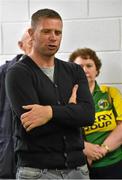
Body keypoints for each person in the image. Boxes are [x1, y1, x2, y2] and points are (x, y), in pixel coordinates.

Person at [5, 9, 95, 179]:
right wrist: (71, 110)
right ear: (32, 33)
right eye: (46, 31)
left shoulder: (74, 70)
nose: (53, 37)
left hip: (78, 170)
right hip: (37, 172)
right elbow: (34, 127)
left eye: (58, 32)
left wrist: (49, 112)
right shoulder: (18, 73)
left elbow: (88, 115)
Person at [69, 47, 122, 179]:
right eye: (80, 66)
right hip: (79, 167)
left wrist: (103, 149)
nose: (85, 70)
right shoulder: (66, 99)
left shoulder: (110, 93)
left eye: (89, 65)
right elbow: (61, 133)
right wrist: (84, 148)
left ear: (96, 70)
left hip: (114, 164)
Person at [0, 29, 32, 178]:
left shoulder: (55, 72)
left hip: (40, 158)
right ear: (21, 45)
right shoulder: (3, 73)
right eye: (31, 42)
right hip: (7, 154)